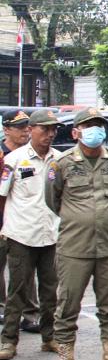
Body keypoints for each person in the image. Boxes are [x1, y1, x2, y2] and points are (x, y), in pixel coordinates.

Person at [45, 108, 108, 360]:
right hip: (74, 247)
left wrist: (103, 217)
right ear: (76, 132)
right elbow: (53, 200)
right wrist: (81, 218)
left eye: (98, 125)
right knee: (67, 305)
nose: (95, 130)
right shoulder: (61, 164)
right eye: (88, 126)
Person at [0, 110, 61, 360]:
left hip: (50, 234)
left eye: (53, 129)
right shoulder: (14, 160)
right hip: (21, 235)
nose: (50, 134)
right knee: (18, 291)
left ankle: (49, 337)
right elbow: (2, 196)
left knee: (50, 291)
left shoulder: (60, 160)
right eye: (44, 129)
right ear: (31, 129)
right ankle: (8, 340)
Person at [0, 109, 39, 334]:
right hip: (3, 219)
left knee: (27, 269)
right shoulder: (2, 154)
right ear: (6, 130)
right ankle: (3, 309)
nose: (25, 131)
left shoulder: (32, 153)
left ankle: (30, 314)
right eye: (20, 127)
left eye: (27, 127)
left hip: (26, 220)